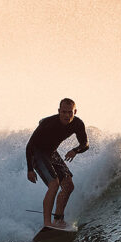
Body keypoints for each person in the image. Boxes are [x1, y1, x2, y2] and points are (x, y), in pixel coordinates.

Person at [26, 98, 89, 228]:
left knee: (68, 185)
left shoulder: (77, 124)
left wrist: (75, 150)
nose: (67, 115)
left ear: (75, 111)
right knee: (54, 184)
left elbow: (85, 144)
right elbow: (29, 146)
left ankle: (58, 219)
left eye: (70, 112)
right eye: (64, 112)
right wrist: (30, 169)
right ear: (59, 111)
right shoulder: (48, 123)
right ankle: (47, 223)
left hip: (51, 153)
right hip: (37, 153)